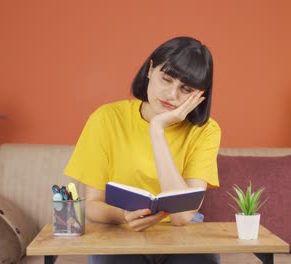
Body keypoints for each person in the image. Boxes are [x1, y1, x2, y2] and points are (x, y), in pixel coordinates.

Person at [64, 36, 221, 264]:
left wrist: (157, 129)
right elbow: (92, 205)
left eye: (186, 89)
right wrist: (124, 217)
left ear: (200, 96)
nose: (171, 95)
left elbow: (182, 216)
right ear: (150, 70)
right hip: (120, 231)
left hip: (181, 236)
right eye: (166, 79)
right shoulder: (106, 118)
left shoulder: (206, 131)